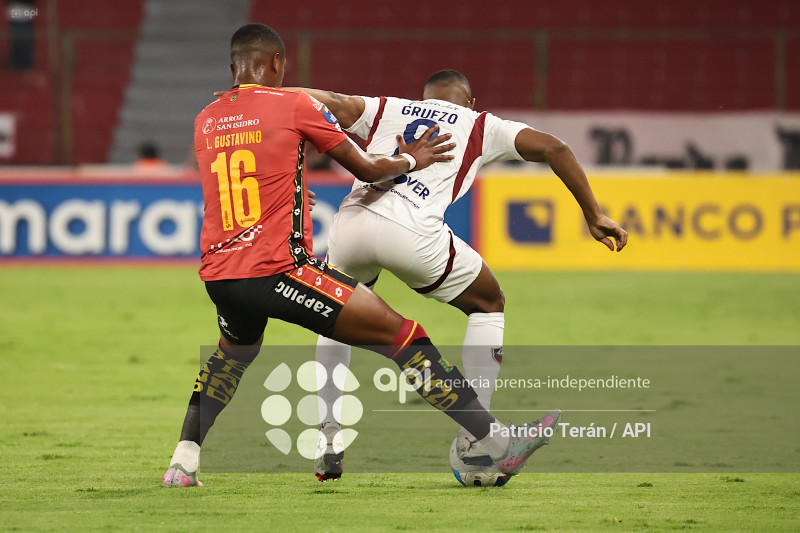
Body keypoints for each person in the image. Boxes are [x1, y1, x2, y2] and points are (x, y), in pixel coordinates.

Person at [163, 24, 561, 488]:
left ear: (232, 69)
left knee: (231, 356)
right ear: (277, 64)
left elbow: (242, 184)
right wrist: (412, 159)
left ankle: (182, 463)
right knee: (406, 338)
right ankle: (495, 443)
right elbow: (368, 168)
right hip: (282, 272)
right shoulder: (294, 105)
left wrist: (292, 201)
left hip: (222, 276)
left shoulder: (207, 117)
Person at [286, 70, 627, 480]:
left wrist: (263, 92)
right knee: (488, 302)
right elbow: (556, 147)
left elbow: (329, 98)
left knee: (337, 317)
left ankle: (329, 436)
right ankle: (476, 435)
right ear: (469, 101)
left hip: (350, 226)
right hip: (409, 231)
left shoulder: (385, 108)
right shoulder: (482, 124)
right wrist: (594, 214)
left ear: (424, 98)